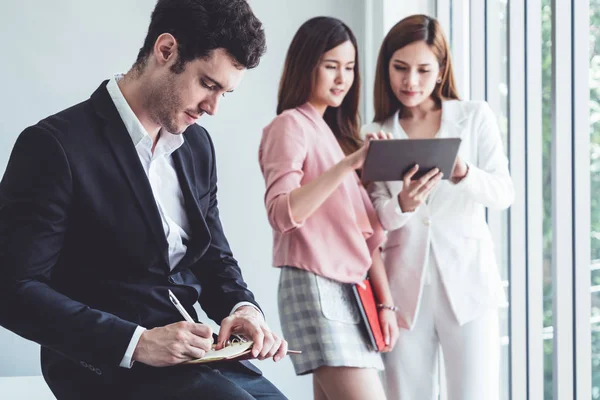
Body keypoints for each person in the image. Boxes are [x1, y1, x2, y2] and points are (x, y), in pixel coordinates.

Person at [0, 1, 289, 399]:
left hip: (196, 356)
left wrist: (243, 310)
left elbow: (211, 256)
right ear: (166, 50)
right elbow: (13, 289)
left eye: (225, 93)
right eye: (208, 84)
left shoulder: (197, 146)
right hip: (104, 365)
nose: (213, 108)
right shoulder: (55, 146)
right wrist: (137, 343)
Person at [361, 14, 515, 400]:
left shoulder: (473, 117)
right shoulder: (375, 132)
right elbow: (378, 217)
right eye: (400, 68)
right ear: (387, 68)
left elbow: (503, 193)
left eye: (423, 70)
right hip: (403, 292)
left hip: (469, 284)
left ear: (441, 69)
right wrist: (404, 203)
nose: (410, 81)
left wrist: (464, 172)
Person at [259, 16, 400, 400]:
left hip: (352, 290)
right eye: (331, 65)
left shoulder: (337, 138)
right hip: (315, 285)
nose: (342, 78)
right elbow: (281, 212)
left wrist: (385, 302)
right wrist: (348, 165)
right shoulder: (290, 126)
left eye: (350, 68)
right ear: (307, 64)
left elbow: (365, 235)